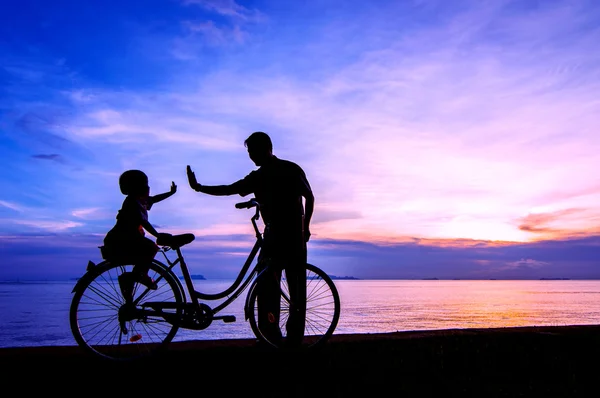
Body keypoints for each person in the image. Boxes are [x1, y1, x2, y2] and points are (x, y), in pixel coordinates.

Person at [187, 131, 314, 347]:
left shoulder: (264, 175)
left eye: (253, 151)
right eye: (249, 152)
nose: (251, 156)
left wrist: (199, 188)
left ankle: (270, 335)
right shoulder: (286, 169)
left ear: (266, 148)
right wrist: (306, 227)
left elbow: (229, 189)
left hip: (279, 235)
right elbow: (309, 197)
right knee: (295, 290)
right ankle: (291, 339)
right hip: (294, 235)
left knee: (268, 287)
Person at [102, 169, 176, 297]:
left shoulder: (140, 201)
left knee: (147, 251)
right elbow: (143, 222)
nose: (148, 188)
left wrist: (170, 193)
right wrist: (158, 235)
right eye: (146, 185)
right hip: (122, 239)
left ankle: (134, 278)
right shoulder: (132, 203)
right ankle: (138, 276)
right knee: (151, 247)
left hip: (129, 238)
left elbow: (155, 199)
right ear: (137, 187)